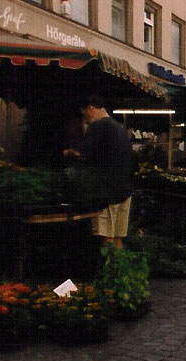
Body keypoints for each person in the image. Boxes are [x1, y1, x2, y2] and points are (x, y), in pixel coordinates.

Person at [63, 95, 133, 249]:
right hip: (124, 191)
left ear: (91, 109)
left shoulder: (98, 126)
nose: (85, 119)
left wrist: (68, 152)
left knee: (106, 238)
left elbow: (82, 154)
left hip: (106, 194)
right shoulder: (119, 128)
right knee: (117, 238)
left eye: (84, 114)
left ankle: (108, 271)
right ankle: (120, 271)